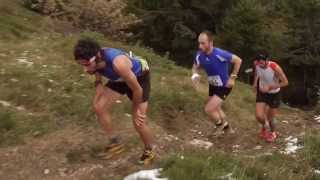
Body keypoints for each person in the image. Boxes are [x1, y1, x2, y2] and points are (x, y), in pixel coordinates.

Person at [73, 38, 154, 165]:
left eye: (87, 64)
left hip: (139, 79)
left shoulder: (118, 63)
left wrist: (134, 110)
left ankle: (149, 150)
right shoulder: (96, 57)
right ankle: (115, 144)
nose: (85, 69)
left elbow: (137, 90)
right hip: (120, 79)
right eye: (81, 65)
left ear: (97, 57)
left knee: (138, 121)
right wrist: (98, 83)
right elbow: (97, 69)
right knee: (99, 107)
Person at [191, 31, 242, 135]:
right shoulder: (199, 55)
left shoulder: (220, 53)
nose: (200, 46)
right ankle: (228, 130)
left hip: (225, 85)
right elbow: (194, 67)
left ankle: (219, 126)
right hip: (213, 84)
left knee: (209, 109)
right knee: (216, 108)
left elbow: (238, 60)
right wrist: (195, 75)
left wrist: (232, 78)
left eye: (203, 43)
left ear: (211, 42)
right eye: (199, 43)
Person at [253, 52, 289, 142]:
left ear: (267, 61)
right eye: (258, 63)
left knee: (270, 118)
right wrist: (254, 84)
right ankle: (265, 126)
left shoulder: (274, 67)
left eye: (262, 63)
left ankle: (273, 133)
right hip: (262, 92)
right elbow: (257, 73)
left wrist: (270, 87)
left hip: (274, 94)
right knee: (258, 116)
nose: (259, 65)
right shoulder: (257, 64)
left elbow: (285, 82)